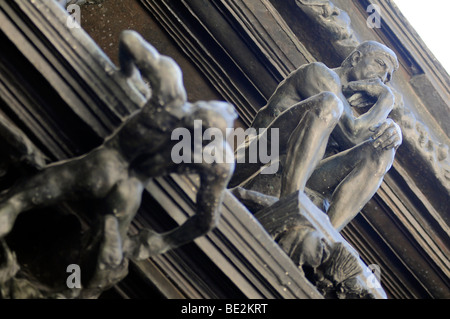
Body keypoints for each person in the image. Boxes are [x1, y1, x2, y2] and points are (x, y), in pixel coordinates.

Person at [0, 31, 237, 269]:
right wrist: (159, 243)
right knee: (107, 260)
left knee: (19, 200)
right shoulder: (216, 162)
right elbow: (206, 221)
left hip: (109, 164)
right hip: (128, 190)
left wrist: (128, 74)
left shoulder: (170, 88)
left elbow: (129, 41)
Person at [229, 41, 402, 231]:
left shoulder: (348, 113)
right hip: (257, 158)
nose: (382, 78)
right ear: (356, 58)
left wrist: (392, 130)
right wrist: (386, 101)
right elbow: (353, 134)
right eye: (380, 64)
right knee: (329, 103)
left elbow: (362, 139)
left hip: (300, 171)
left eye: (387, 78)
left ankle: (326, 235)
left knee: (383, 151)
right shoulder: (318, 73)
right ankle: (289, 203)